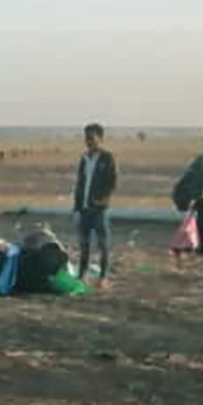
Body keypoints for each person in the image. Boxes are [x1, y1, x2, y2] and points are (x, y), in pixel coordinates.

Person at [73, 121, 117, 286]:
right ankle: (81, 276)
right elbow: (80, 183)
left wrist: (103, 199)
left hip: (99, 210)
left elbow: (112, 181)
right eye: (86, 138)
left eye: (91, 138)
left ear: (100, 138)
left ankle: (103, 278)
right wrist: (77, 207)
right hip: (84, 209)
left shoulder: (107, 158)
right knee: (84, 244)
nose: (88, 141)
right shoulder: (84, 158)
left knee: (103, 244)